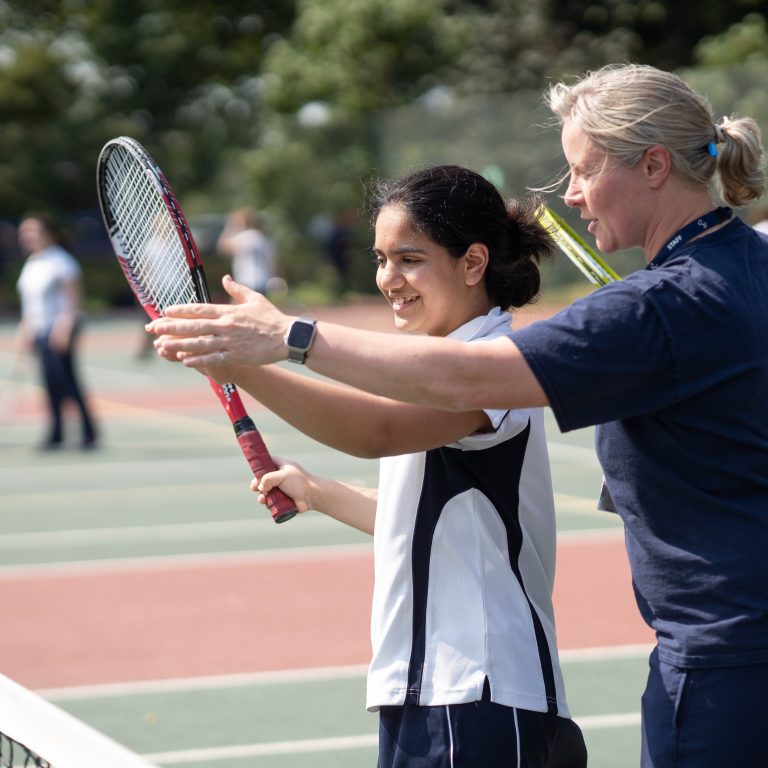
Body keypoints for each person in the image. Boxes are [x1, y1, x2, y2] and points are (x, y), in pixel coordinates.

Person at [147, 64, 768, 767]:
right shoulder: (741, 268)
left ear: (654, 165)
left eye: (583, 170)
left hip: (704, 662)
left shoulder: (664, 303)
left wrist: (283, 342)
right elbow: (433, 505)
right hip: (707, 651)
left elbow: (439, 393)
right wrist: (316, 484)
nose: (570, 193)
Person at [153, 165, 586, 767]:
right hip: (429, 687)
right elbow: (431, 520)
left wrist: (249, 362)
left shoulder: (492, 363)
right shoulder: (437, 363)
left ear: (473, 262)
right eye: (380, 258)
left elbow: (373, 429)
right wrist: (320, 492)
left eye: (410, 258)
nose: (389, 279)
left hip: (481, 688)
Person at [15, 213, 99, 449]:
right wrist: (25, 331)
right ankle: (56, 432)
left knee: (68, 382)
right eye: (24, 233)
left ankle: (88, 432)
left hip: (60, 328)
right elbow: (31, 305)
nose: (27, 237)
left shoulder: (61, 261)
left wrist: (63, 328)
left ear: (49, 233)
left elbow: (73, 300)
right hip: (40, 329)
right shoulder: (32, 263)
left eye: (32, 231)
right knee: (50, 384)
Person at [216, 207, 278, 294]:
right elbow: (271, 261)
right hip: (261, 281)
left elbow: (222, 247)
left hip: (248, 282)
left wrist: (230, 227)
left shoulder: (246, 237)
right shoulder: (260, 237)